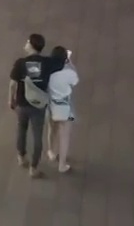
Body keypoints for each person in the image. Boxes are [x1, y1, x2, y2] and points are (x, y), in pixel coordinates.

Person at [9, 33, 52, 178]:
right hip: (38, 105)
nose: (26, 43)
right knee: (38, 136)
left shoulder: (21, 63)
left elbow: (12, 84)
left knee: (22, 129)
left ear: (32, 46)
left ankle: (21, 157)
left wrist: (11, 100)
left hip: (22, 103)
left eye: (28, 42)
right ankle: (34, 168)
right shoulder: (47, 63)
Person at [45, 46, 78, 174]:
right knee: (64, 136)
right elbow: (75, 80)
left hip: (51, 104)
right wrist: (71, 64)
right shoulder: (68, 73)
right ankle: (62, 165)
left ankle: (51, 152)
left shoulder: (48, 72)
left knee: (51, 128)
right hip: (65, 106)